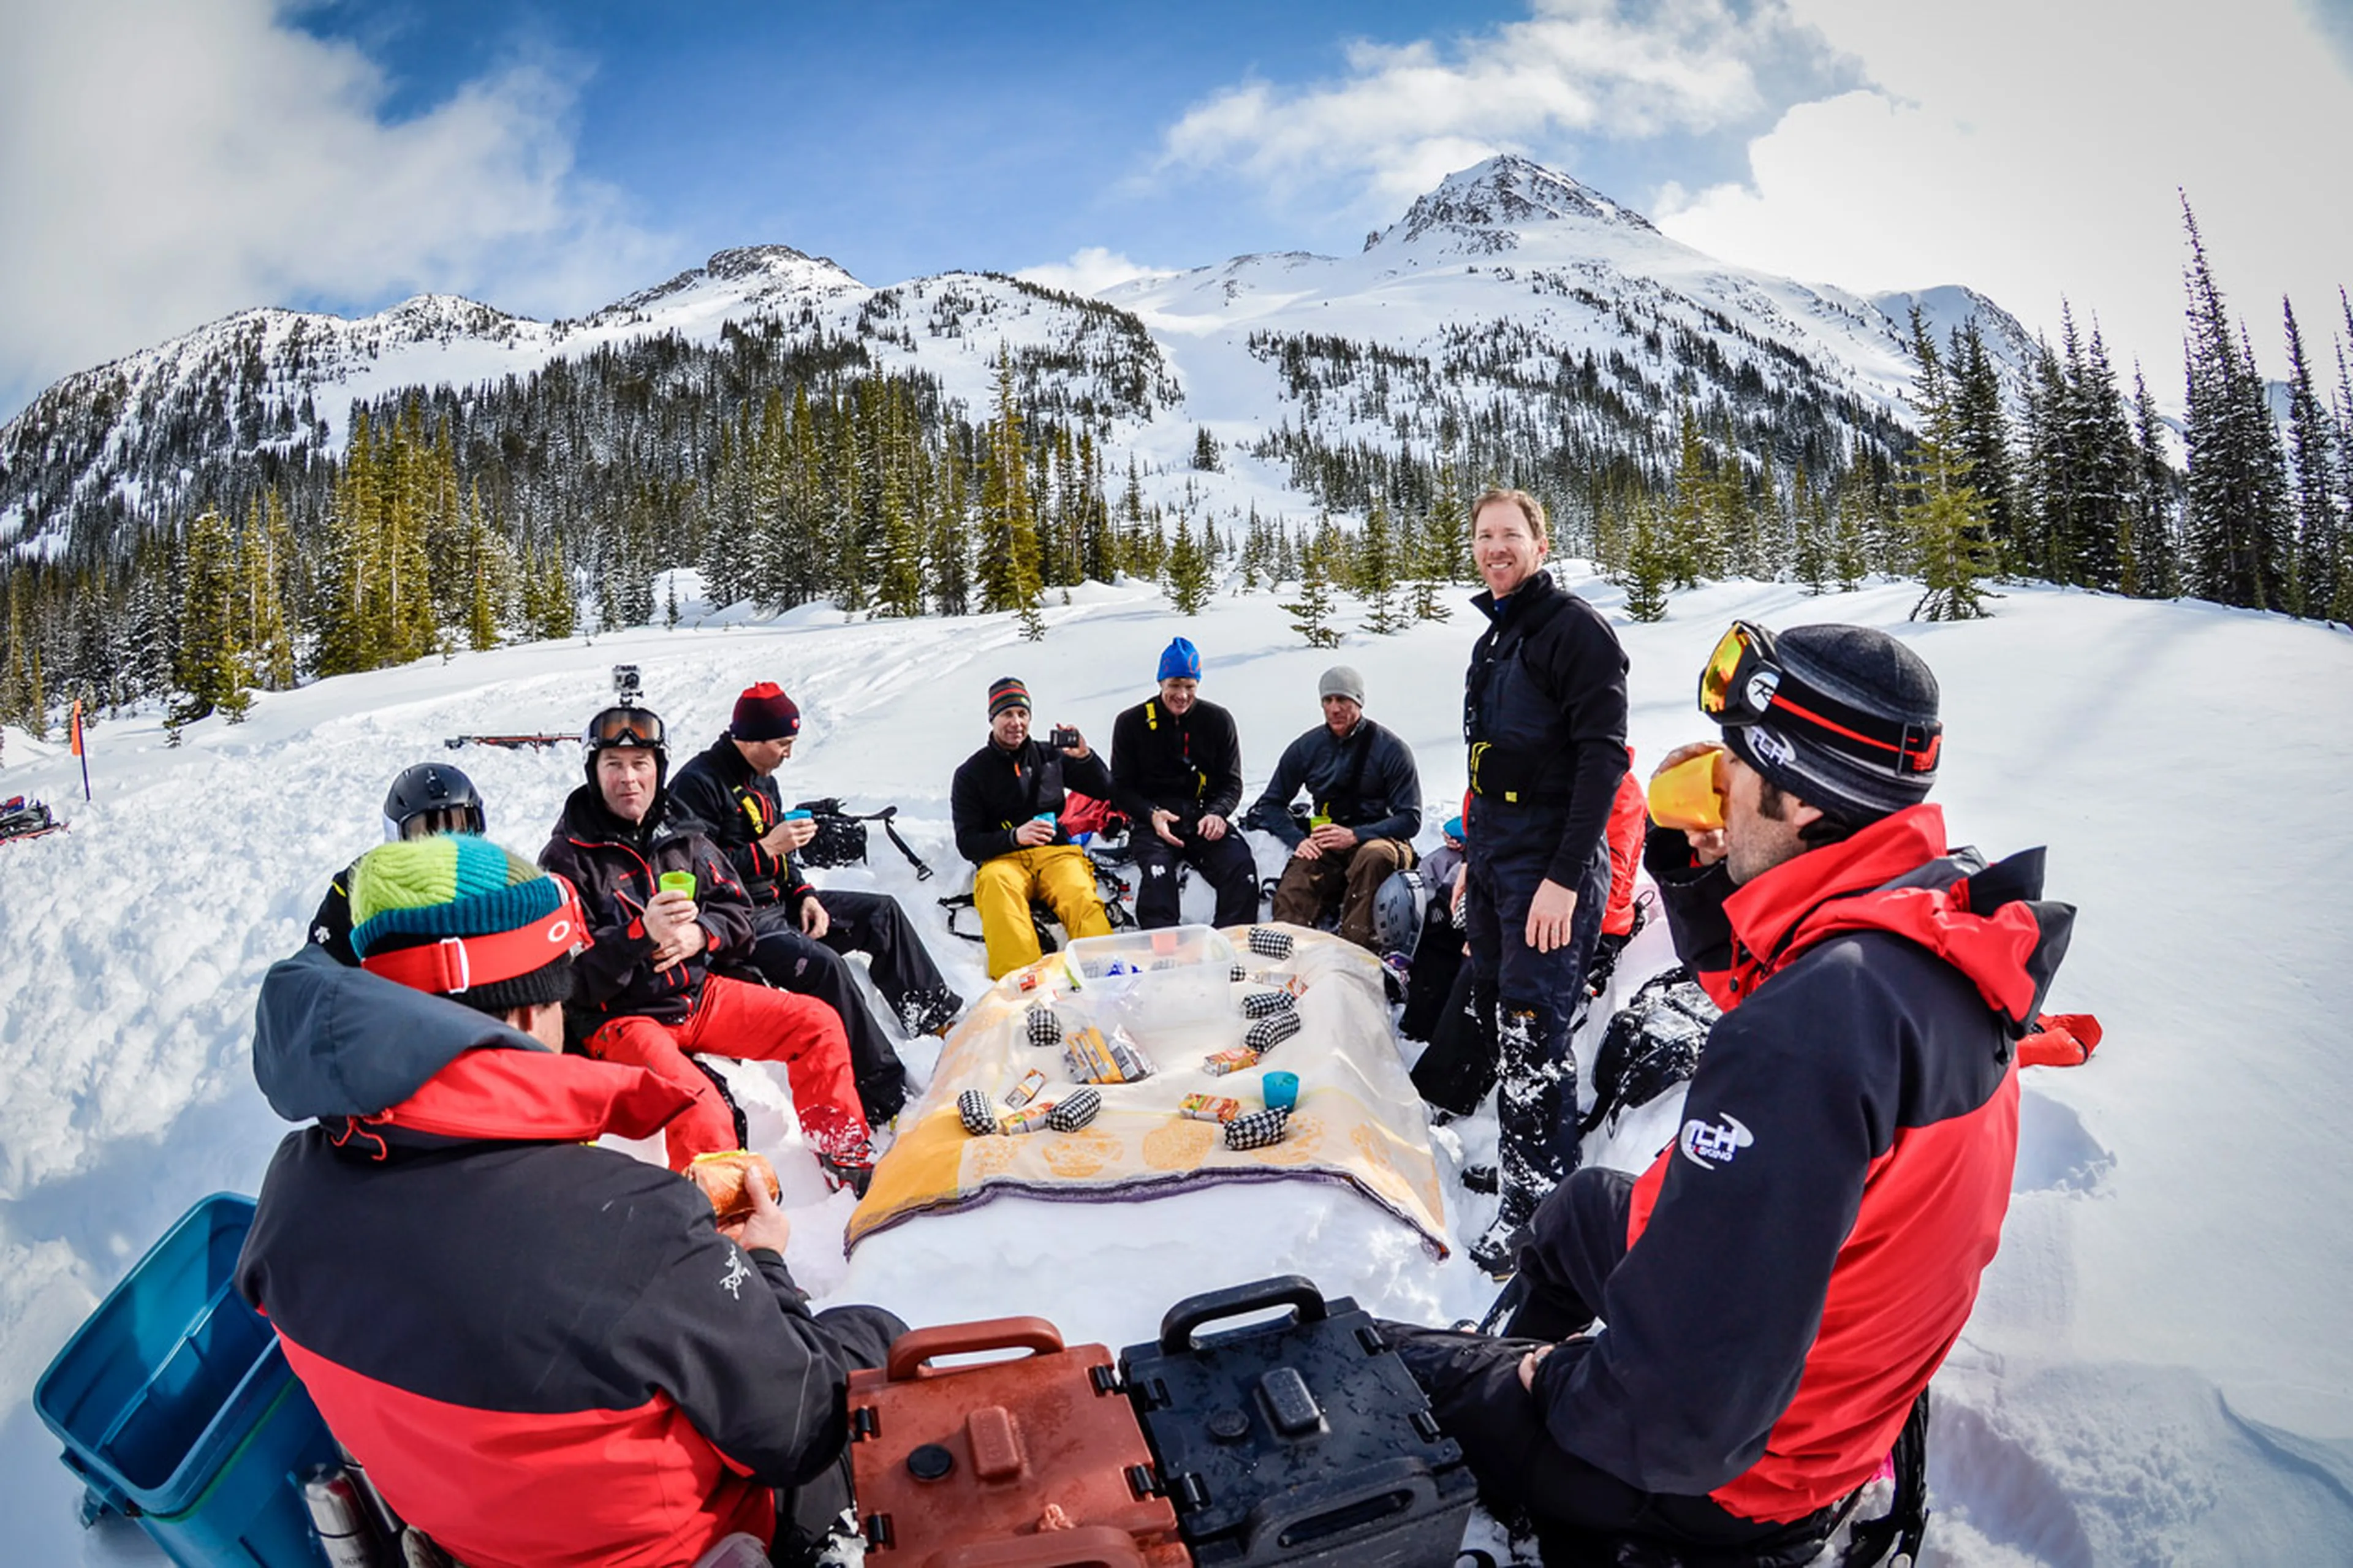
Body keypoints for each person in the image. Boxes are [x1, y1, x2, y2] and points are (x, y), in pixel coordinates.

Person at [1387, 621, 2072, 1566]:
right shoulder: (1922, 935)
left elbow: (1680, 1415)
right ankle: (1501, 1361)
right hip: (1833, 1373)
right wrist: (1692, 856)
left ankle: (1509, 1427)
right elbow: (1767, 976)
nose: (1717, 782)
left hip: (1736, 1475)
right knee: (1582, 1208)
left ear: (1798, 802)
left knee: (1392, 1368)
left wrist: (1546, 1384)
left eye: (1737, 766)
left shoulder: (1805, 1037)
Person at [238, 837, 905, 1568]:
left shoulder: (287, 1198)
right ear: (525, 1018)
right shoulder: (635, 1225)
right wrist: (763, 1264)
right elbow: (799, 1423)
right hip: (702, 1547)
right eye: (557, 997)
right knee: (876, 1332)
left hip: (472, 1542)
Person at [540, 702, 874, 1184]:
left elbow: (739, 913)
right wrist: (641, 935)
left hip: (696, 995)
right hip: (624, 1017)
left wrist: (701, 934)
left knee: (817, 1024)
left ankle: (842, 1153)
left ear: (659, 770)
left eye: (641, 764)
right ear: (594, 772)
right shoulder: (566, 859)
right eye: (613, 764)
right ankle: (723, 1227)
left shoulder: (684, 836)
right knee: (700, 1106)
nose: (629, 778)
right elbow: (571, 982)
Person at [1458, 487, 1630, 1271]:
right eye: (1486, 536)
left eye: (1511, 535)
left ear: (1540, 543)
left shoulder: (1575, 633)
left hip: (1551, 862)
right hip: (1496, 855)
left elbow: (1604, 760)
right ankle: (1527, 1167)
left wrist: (1564, 879)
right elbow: (1485, 764)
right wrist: (1471, 861)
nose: (1497, 548)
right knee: (1502, 1007)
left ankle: (1539, 1212)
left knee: (1534, 1027)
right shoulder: (1494, 640)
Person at [669, 682, 963, 1124]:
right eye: (783, 743)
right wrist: (765, 849)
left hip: (777, 902)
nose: (789, 753)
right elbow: (692, 870)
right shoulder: (698, 784)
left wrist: (803, 892)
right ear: (749, 738)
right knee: (826, 966)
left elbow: (782, 857)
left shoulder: (765, 779)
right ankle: (883, 1092)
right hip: (738, 918)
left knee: (881, 913)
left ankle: (934, 1016)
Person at [1243, 665, 1422, 952]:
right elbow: (1270, 805)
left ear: (1359, 702)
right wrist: (1298, 840)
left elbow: (1410, 819)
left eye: (1343, 700)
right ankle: (1281, 954)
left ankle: (1354, 954)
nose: (1334, 709)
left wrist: (1355, 835)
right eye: (1328, 701)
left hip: (1382, 838)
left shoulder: (1391, 750)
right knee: (1300, 876)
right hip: (1328, 840)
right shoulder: (1307, 747)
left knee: (1373, 858)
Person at [950, 676, 1116, 978]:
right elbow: (968, 842)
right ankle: (1021, 982)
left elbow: (1106, 789)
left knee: (1080, 895)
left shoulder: (1050, 756)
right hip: (1004, 860)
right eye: (1007, 714)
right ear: (992, 719)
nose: (1016, 723)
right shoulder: (970, 773)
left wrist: (1085, 757)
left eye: (1022, 714)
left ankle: (1104, 971)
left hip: (1056, 854)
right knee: (1000, 898)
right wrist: (1014, 837)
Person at [1108, 637, 1257, 930]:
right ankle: (1164, 954)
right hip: (1153, 820)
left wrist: (1217, 813)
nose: (1182, 695)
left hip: (1203, 816)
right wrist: (1151, 814)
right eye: (1175, 685)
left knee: (1241, 870)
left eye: (1190, 686)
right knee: (1158, 875)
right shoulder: (1131, 723)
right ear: (1161, 682)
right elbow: (1120, 788)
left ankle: (1232, 947)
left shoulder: (1217, 720)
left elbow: (1232, 782)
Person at [308, 762, 487, 964]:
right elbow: (322, 972)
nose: (447, 845)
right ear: (396, 836)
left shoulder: (497, 881)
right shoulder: (356, 889)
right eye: (428, 831)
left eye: (463, 827)